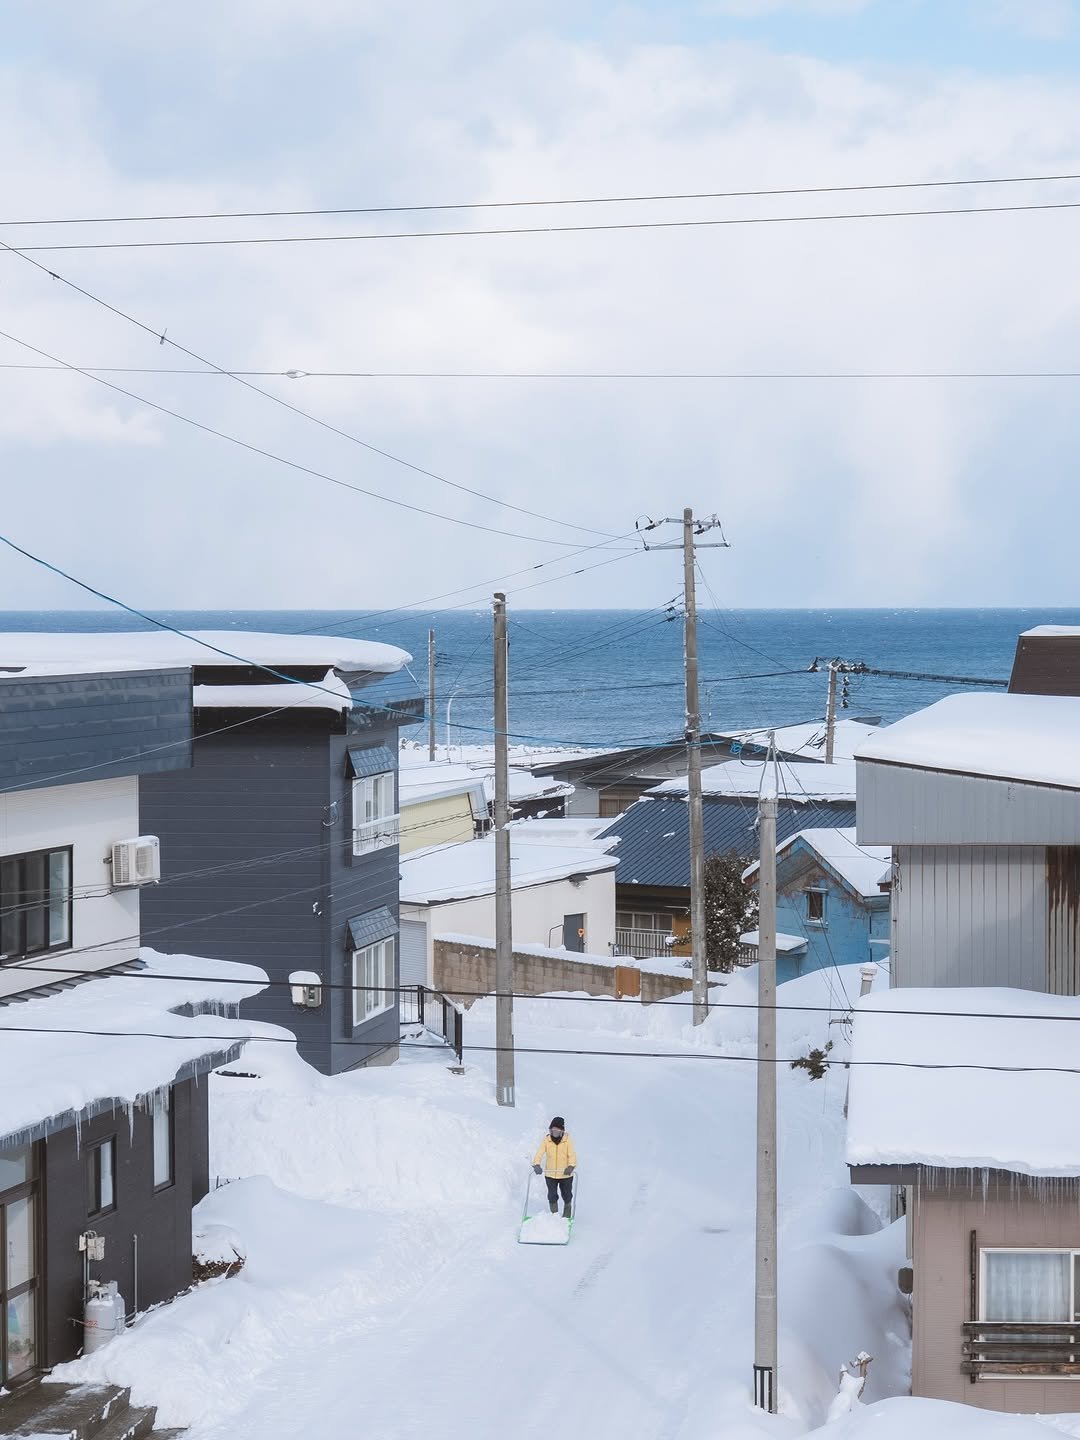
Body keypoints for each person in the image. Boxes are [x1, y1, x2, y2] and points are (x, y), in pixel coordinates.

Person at [532, 1116, 576, 1218]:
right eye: (553, 1130)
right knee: (552, 1196)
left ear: (562, 1131)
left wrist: (571, 1166)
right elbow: (539, 1152)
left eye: (557, 1130)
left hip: (565, 1174)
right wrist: (536, 1164)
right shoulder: (547, 1140)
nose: (555, 1132)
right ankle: (554, 1216)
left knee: (567, 1195)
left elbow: (572, 1155)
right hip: (551, 1174)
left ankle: (567, 1216)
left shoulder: (567, 1140)